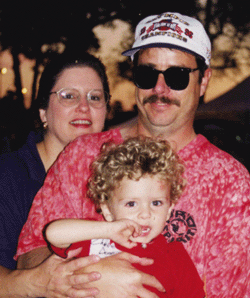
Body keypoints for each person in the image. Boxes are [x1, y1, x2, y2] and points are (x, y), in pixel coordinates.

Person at [16, 12, 250, 298]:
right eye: (147, 73)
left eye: (177, 76)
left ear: (203, 81)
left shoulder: (231, 182)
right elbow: (31, 253)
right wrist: (92, 278)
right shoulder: (81, 155)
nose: (159, 89)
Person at [0, 52, 111, 297]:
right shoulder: (8, 176)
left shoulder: (117, 180)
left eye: (95, 98)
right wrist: (33, 282)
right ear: (43, 112)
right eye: (68, 96)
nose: (84, 107)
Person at [45, 137, 205, 298]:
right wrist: (107, 230)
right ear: (107, 210)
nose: (145, 214)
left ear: (169, 209)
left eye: (156, 203)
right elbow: (53, 233)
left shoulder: (175, 256)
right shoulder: (95, 236)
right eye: (131, 204)